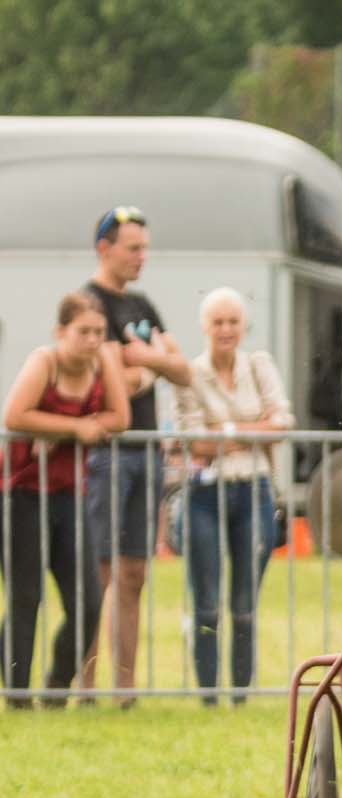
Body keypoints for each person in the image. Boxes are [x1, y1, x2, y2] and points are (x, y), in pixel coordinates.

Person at [83, 206, 192, 700]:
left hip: (145, 451)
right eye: (133, 248)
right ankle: (84, 684)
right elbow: (102, 383)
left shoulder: (143, 304)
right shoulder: (88, 305)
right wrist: (152, 369)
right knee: (99, 571)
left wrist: (143, 362)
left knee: (134, 572)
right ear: (104, 248)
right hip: (107, 453)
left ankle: (124, 688)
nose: (142, 257)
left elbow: (183, 368)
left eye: (145, 248)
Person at [2, 293, 126, 705]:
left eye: (98, 332)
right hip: (20, 492)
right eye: (83, 331)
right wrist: (77, 428)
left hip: (70, 495)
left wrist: (69, 429)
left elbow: (120, 417)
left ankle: (56, 686)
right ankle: (17, 695)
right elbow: (15, 415)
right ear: (61, 332)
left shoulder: (102, 360)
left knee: (89, 600)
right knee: (26, 595)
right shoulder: (45, 362)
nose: (92, 340)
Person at [169, 288, 292, 704]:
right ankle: (209, 695)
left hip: (253, 489)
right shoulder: (190, 373)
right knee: (206, 601)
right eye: (218, 322)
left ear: (243, 326)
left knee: (244, 601)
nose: (226, 330)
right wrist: (246, 430)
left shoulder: (259, 366)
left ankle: (240, 694)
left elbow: (283, 421)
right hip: (204, 494)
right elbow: (192, 442)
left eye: (233, 321)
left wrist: (222, 432)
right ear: (205, 327)